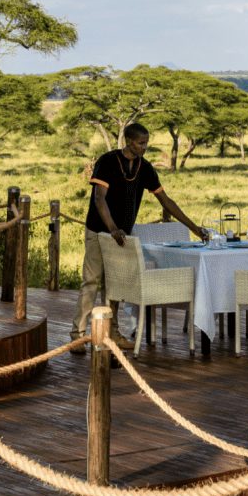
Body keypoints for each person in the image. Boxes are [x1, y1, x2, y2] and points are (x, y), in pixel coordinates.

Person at [70, 123, 206, 349]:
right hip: (99, 231)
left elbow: (167, 202)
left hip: (121, 235)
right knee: (92, 282)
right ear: (129, 141)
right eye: (141, 143)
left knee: (115, 285)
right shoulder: (107, 162)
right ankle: (78, 335)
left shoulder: (145, 168)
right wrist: (112, 228)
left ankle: (111, 334)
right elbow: (99, 199)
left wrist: (194, 228)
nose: (145, 147)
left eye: (146, 142)